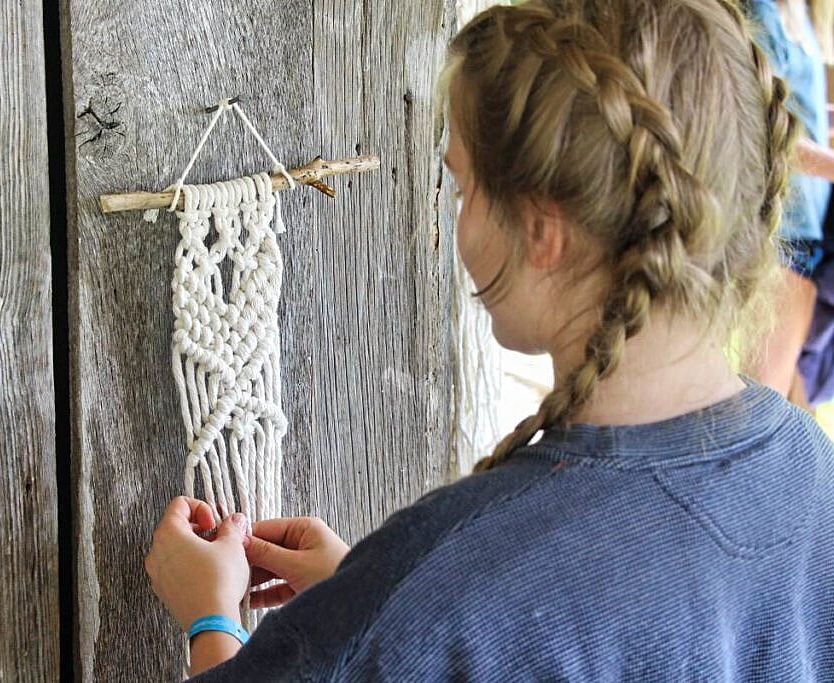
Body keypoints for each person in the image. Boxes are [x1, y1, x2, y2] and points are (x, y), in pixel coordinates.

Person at [145, 1, 834, 679]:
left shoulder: (449, 588)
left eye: (463, 184)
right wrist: (378, 606)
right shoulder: (811, 474)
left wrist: (211, 616)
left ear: (542, 230)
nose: (460, 215)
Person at [745, 0, 832, 405]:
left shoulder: (807, 20)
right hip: (783, 231)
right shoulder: (760, 13)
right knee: (763, 399)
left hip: (812, 230)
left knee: (787, 400)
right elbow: (760, 132)